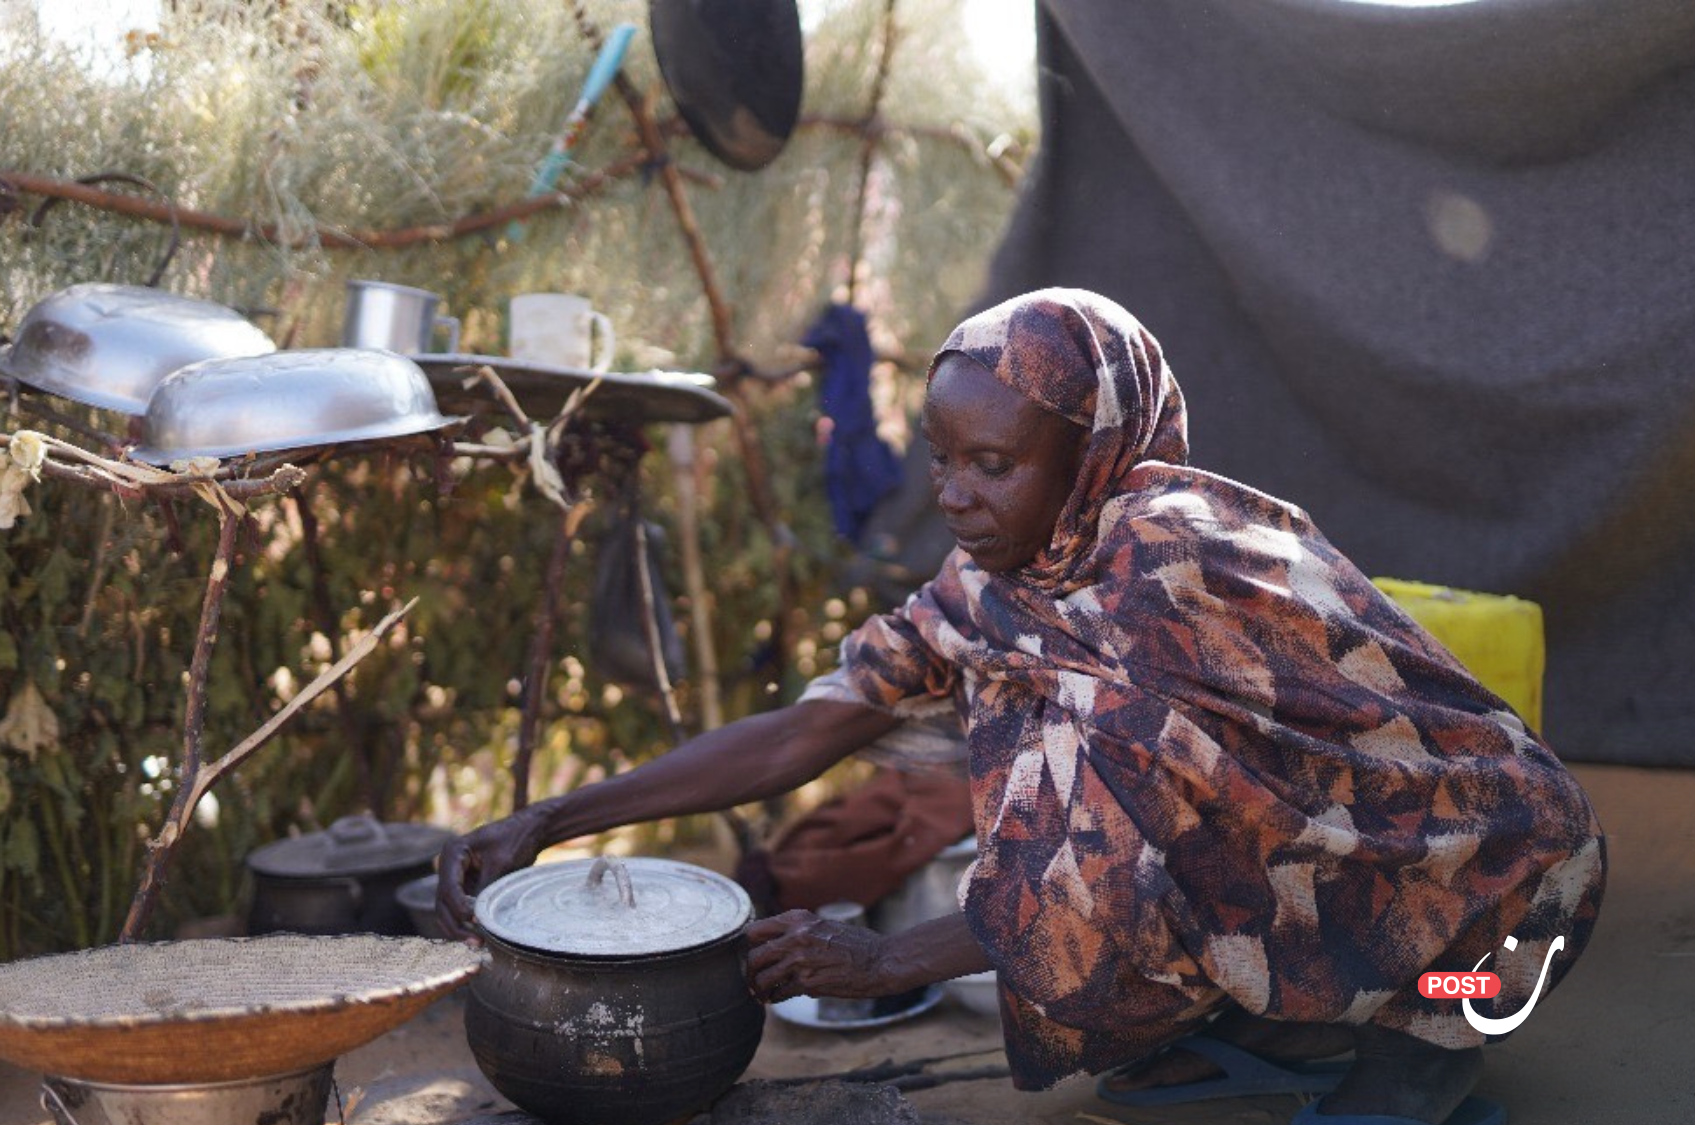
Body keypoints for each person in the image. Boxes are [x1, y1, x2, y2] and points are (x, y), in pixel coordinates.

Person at [438, 289, 1605, 1125]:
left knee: (1411, 1015)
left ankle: (1418, 1025)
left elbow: (1122, 849)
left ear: (1091, 449)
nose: (954, 495)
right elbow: (814, 724)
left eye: (993, 465)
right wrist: (554, 820)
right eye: (942, 457)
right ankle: (1290, 1008)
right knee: (1084, 781)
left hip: (1499, 883)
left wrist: (889, 959)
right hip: (1313, 861)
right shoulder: (1005, 576)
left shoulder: (1170, 565)